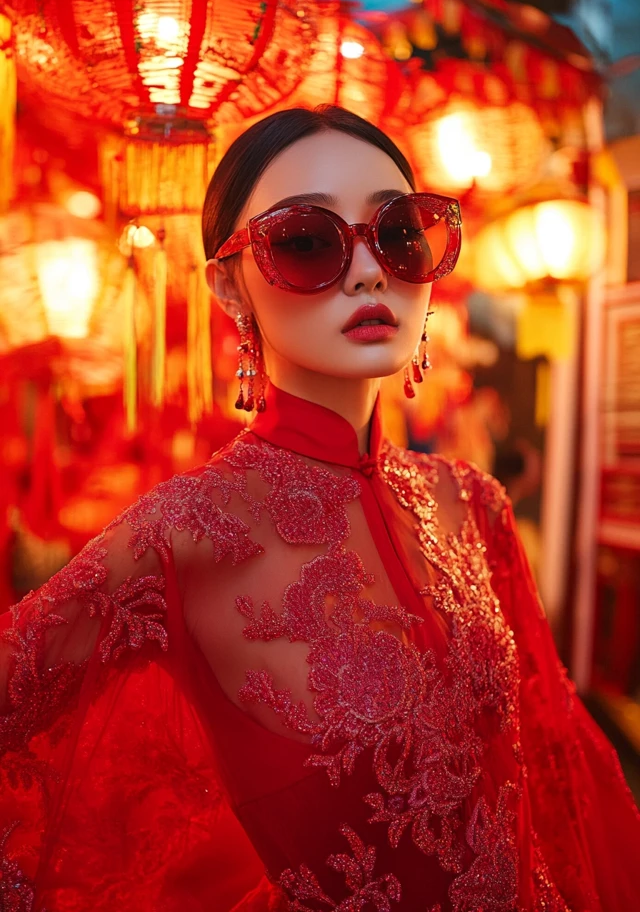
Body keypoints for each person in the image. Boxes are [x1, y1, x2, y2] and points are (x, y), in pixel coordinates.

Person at [1, 106, 638, 912]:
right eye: (306, 242)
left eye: (401, 233)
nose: (370, 272)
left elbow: (561, 776)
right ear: (231, 284)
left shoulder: (470, 503)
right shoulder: (186, 535)